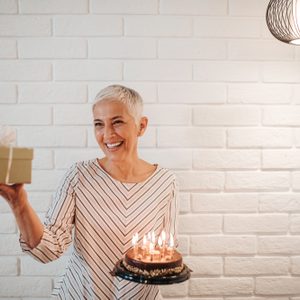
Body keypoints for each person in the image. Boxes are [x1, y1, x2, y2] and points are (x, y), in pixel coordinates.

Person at [0, 85, 179, 299]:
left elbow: (165, 254)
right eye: (98, 124)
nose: (107, 134)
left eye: (117, 122)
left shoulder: (166, 182)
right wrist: (19, 203)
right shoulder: (78, 176)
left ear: (141, 126)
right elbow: (48, 250)